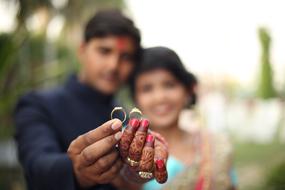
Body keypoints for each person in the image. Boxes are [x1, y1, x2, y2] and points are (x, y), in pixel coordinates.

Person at [14, 10, 167, 190]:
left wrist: (134, 175)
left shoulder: (127, 117)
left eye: (125, 57)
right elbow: (37, 165)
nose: (113, 66)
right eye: (104, 51)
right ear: (82, 50)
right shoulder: (38, 104)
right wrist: (75, 171)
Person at [129, 47, 238, 190]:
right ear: (136, 98)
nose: (160, 97)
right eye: (147, 88)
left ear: (187, 90)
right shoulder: (127, 149)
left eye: (169, 85)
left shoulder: (215, 147)